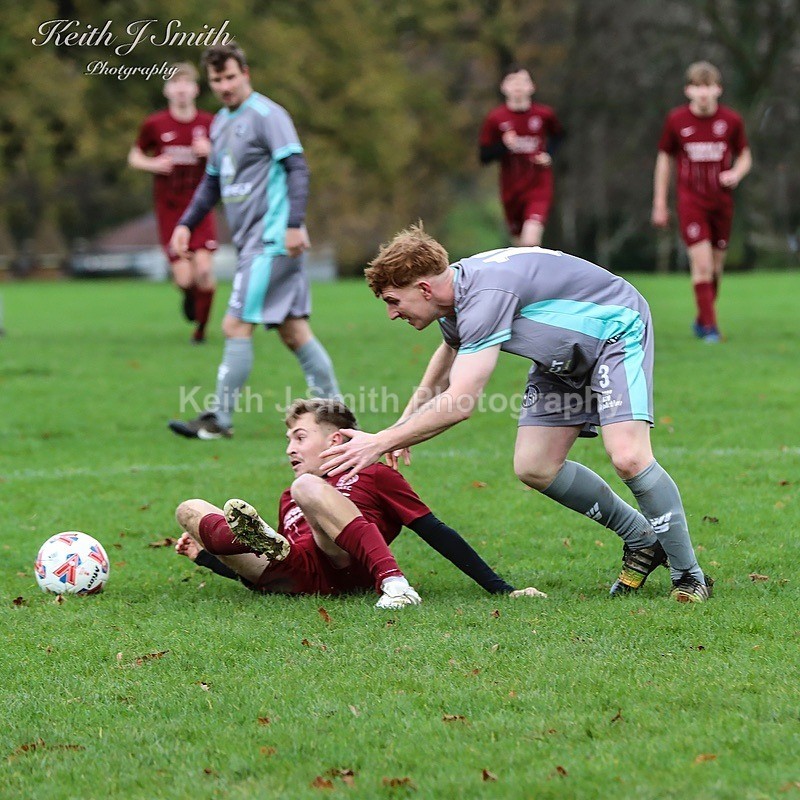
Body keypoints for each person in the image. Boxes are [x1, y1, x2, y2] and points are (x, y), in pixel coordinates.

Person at [320, 227, 714, 603]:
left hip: (614, 331)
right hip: (561, 357)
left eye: (393, 300)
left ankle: (689, 575)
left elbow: (461, 402)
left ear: (424, 288)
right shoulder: (454, 296)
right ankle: (641, 539)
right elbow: (451, 348)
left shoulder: (485, 296)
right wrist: (402, 425)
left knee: (628, 455)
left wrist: (382, 440)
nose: (391, 313)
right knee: (535, 466)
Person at [174, 398, 546, 608]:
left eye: (300, 437)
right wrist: (207, 558)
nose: (289, 447)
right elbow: (255, 568)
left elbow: (434, 530)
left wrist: (501, 588)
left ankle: (395, 584)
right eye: (288, 439)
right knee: (188, 509)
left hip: (346, 563)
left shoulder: (373, 474)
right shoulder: (289, 495)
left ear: (335, 440)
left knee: (306, 487)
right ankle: (231, 538)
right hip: (296, 572)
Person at [168, 43, 340, 440]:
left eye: (230, 77)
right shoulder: (219, 123)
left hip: (272, 240)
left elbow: (297, 168)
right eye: (217, 80)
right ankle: (338, 415)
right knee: (293, 330)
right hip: (254, 243)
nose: (224, 86)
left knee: (234, 324)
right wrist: (186, 224)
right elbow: (212, 182)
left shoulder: (268, 115)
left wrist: (294, 224)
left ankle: (219, 420)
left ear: (245, 73)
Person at [651, 61, 752, 343]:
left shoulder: (731, 121)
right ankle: (710, 329)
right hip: (691, 201)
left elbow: (745, 155)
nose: (703, 93)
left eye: (708, 87)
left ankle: (702, 317)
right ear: (688, 91)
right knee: (703, 264)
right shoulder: (676, 120)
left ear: (718, 89)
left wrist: (736, 172)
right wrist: (659, 202)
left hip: (721, 202)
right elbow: (664, 160)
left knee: (716, 268)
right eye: (697, 87)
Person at [128, 63, 218, 344]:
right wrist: (153, 164)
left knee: (204, 270)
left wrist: (211, 152)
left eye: (185, 83)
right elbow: (134, 156)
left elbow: (232, 158)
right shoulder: (155, 124)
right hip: (170, 210)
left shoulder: (210, 123)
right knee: (184, 279)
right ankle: (191, 298)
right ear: (167, 90)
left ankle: (200, 332)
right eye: (174, 83)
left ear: (195, 89)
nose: (180, 89)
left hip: (201, 208)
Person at [479, 65, 564, 247]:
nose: (518, 86)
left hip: (538, 185)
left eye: (523, 81)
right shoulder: (495, 118)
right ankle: (530, 275)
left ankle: (540, 274)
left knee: (531, 241)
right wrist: (504, 145)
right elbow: (484, 156)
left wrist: (548, 154)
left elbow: (559, 135)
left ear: (531, 87)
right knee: (519, 248)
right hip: (511, 189)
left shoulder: (544, 115)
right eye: (512, 81)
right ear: (504, 87)